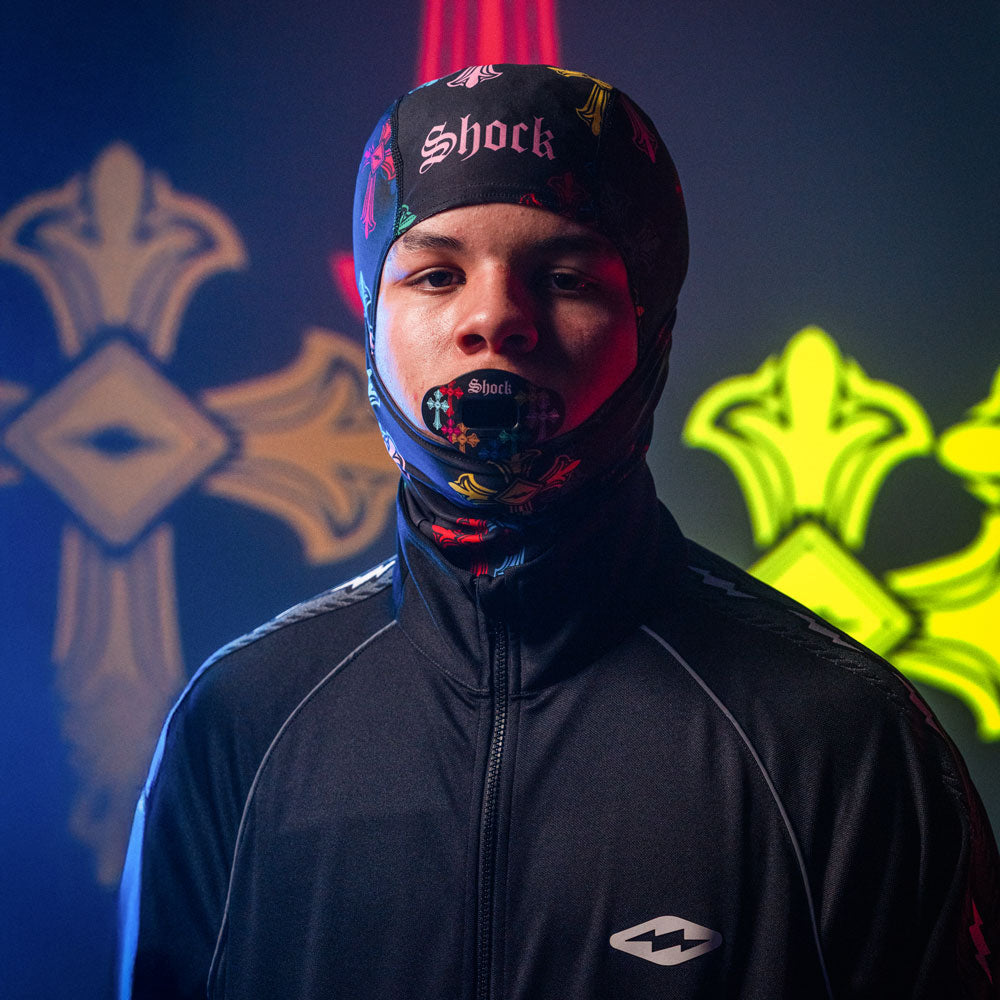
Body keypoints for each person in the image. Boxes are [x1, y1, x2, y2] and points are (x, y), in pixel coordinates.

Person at [117, 64, 999, 999]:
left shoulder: (846, 743)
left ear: (651, 325)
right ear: (372, 318)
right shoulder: (238, 726)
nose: (494, 318)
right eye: (436, 274)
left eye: (566, 277)